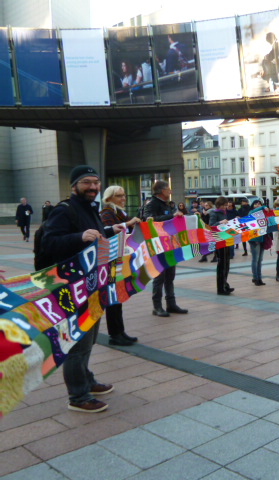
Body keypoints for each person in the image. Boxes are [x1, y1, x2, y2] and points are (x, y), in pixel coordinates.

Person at [42, 165, 125, 413]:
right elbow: (49, 243)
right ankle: (77, 396)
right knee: (77, 342)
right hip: (71, 287)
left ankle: (87, 380)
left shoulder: (90, 208)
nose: (92, 187)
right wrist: (78, 238)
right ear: (74, 185)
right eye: (87, 182)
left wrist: (110, 230)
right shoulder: (63, 210)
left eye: (96, 182)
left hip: (92, 284)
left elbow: (94, 234)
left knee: (88, 339)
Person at [100, 185, 141, 346]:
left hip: (118, 259)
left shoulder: (118, 212)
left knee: (118, 296)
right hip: (110, 260)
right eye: (119, 196)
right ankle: (115, 334)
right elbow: (106, 232)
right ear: (109, 198)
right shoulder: (107, 213)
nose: (123, 198)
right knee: (113, 298)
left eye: (123, 195)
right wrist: (129, 223)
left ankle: (120, 331)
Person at [143, 180, 189, 317]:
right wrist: (171, 216)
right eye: (168, 189)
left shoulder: (168, 204)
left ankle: (171, 304)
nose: (170, 191)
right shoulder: (151, 204)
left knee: (170, 275)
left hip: (170, 244)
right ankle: (157, 306)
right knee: (159, 277)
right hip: (158, 245)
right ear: (162, 191)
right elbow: (149, 220)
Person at [209, 196, 234, 295]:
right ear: (219, 205)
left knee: (227, 264)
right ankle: (220, 288)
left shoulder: (224, 213)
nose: (225, 207)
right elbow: (211, 226)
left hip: (226, 239)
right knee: (222, 265)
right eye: (224, 206)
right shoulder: (214, 213)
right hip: (219, 241)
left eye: (226, 206)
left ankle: (225, 284)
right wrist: (220, 222)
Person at [249, 199, 269, 285]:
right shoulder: (251, 213)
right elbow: (253, 212)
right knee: (255, 259)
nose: (258, 205)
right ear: (253, 205)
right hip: (254, 239)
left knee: (260, 260)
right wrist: (263, 207)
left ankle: (259, 278)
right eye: (256, 204)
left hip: (262, 238)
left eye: (259, 204)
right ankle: (255, 277)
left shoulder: (263, 214)